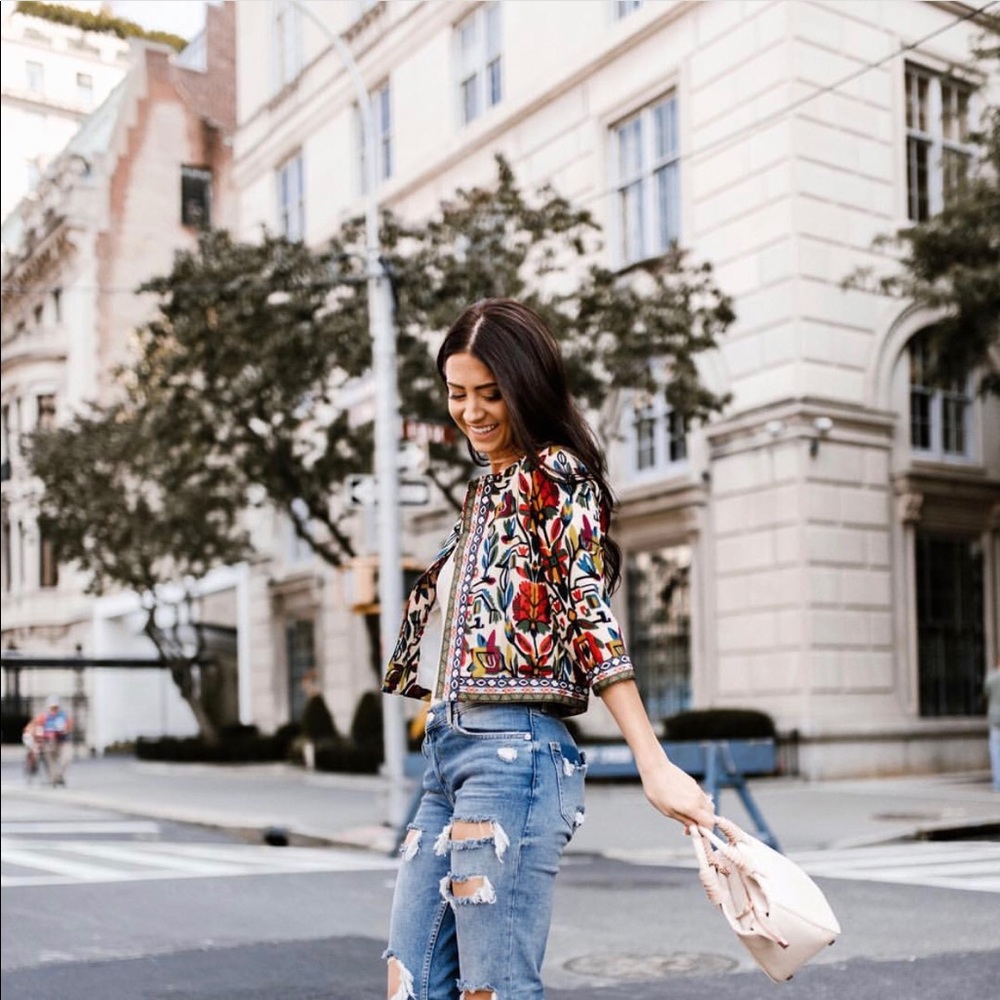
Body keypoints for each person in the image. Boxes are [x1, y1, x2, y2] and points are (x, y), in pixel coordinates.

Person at [381, 298, 716, 1000]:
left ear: (525, 387)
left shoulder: (554, 476)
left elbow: (589, 614)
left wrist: (654, 765)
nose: (470, 412)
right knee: (410, 985)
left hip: (516, 755)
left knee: (492, 990)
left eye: (490, 394)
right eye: (457, 393)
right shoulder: (484, 492)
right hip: (448, 752)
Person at [24, 695, 73, 787]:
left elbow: (69, 726)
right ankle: (54, 779)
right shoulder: (44, 717)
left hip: (62, 741)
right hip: (49, 742)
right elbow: (32, 727)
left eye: (56, 707)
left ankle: (60, 776)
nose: (54, 709)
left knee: (66, 758)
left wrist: (64, 730)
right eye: (52, 707)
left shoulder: (63, 716)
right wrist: (33, 736)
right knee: (51, 760)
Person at [986, 659, 1000, 792]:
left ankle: (997, 783)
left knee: (995, 752)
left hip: (995, 718)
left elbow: (986, 691)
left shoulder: (992, 677)